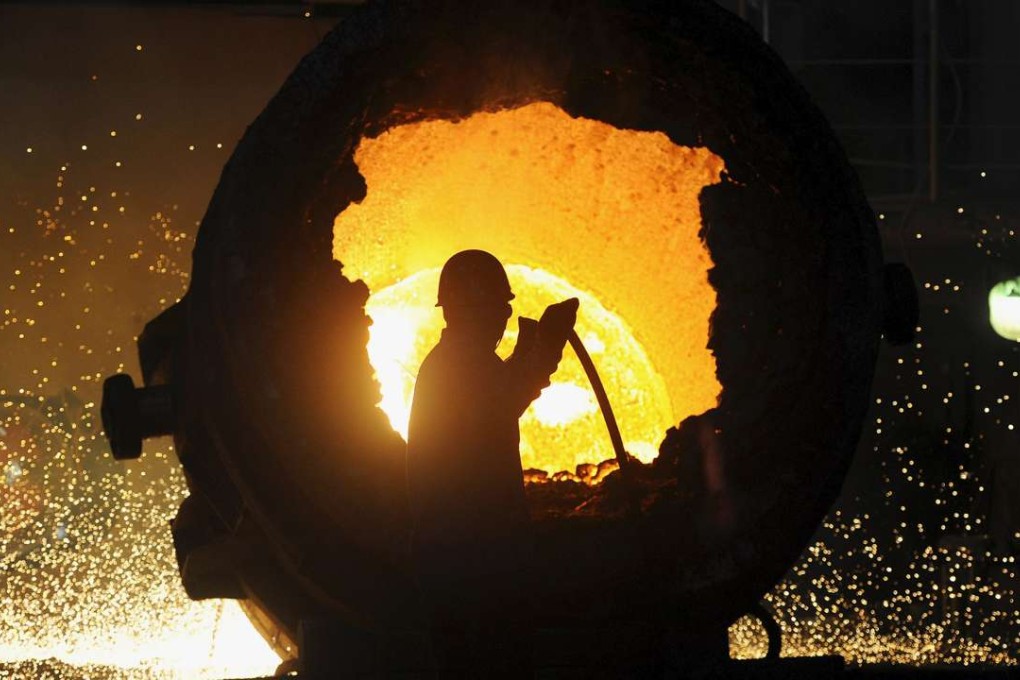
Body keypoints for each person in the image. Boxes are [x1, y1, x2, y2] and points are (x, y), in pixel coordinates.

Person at [406, 249, 578, 678]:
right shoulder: (456, 368)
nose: (504, 316)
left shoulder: (459, 363)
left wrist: (539, 349)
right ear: (474, 311)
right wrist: (545, 348)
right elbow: (501, 401)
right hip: (471, 563)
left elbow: (502, 392)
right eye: (499, 307)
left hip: (465, 560)